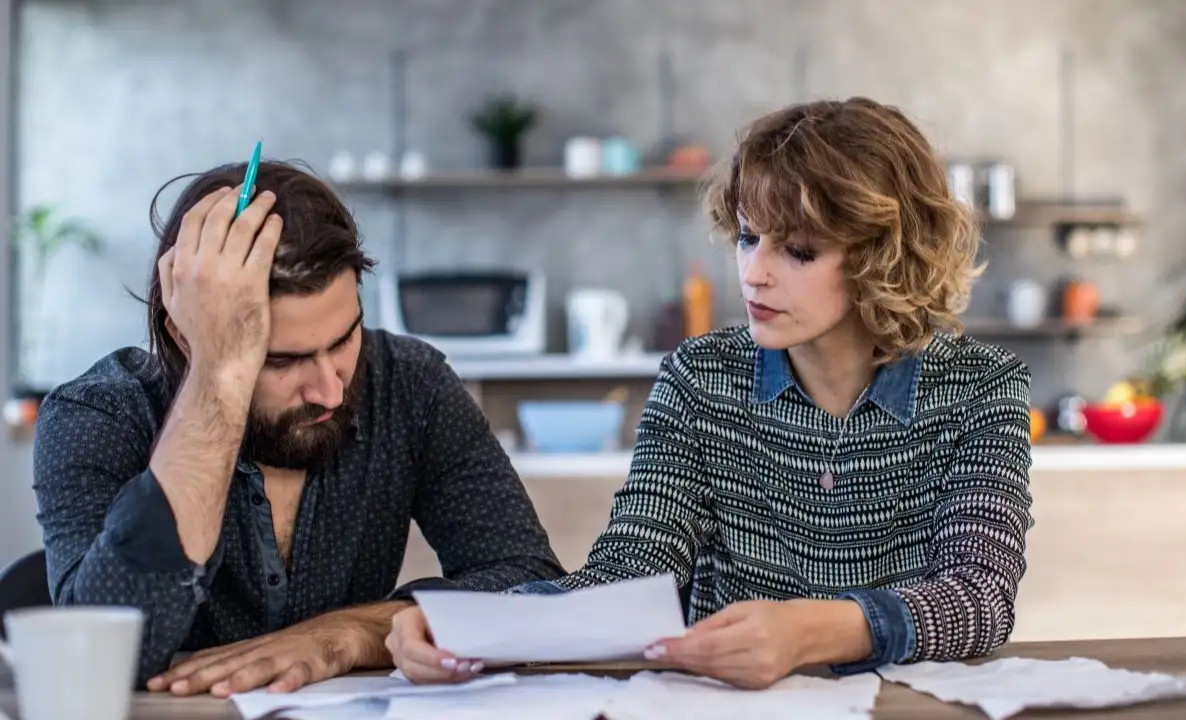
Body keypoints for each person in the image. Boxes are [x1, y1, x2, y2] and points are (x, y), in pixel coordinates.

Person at [386, 97, 1034, 690]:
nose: (754, 273)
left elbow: (977, 597)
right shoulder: (701, 378)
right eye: (749, 237)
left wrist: (808, 630)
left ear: (888, 254)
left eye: (799, 251)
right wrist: (470, 626)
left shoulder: (983, 388)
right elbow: (629, 572)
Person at [32, 160, 564, 697]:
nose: (331, 391)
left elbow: (527, 585)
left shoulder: (412, 383)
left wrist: (349, 633)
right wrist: (216, 378)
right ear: (187, 336)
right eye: (283, 361)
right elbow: (106, 654)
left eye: (344, 340)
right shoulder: (97, 414)